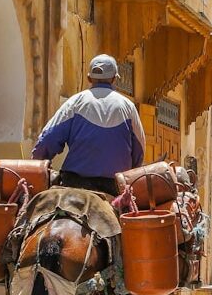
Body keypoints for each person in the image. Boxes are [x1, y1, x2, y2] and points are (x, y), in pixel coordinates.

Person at [32, 53, 145, 197]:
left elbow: (48, 139)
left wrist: (37, 164)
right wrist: (128, 172)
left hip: (74, 183)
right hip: (115, 187)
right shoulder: (128, 107)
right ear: (114, 79)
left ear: (89, 78)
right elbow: (139, 150)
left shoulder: (74, 103)